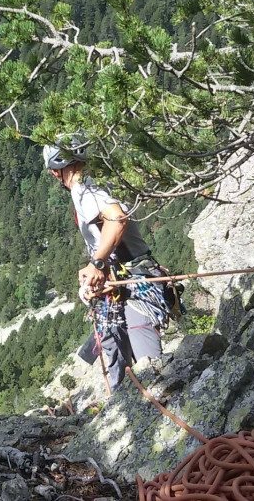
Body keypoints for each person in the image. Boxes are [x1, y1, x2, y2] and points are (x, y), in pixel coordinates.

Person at [43, 140, 176, 389]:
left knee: (151, 371)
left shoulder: (84, 188)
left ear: (55, 171)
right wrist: (98, 267)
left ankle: (162, 410)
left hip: (133, 285)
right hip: (124, 282)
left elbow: (116, 219)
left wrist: (97, 263)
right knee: (129, 364)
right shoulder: (93, 182)